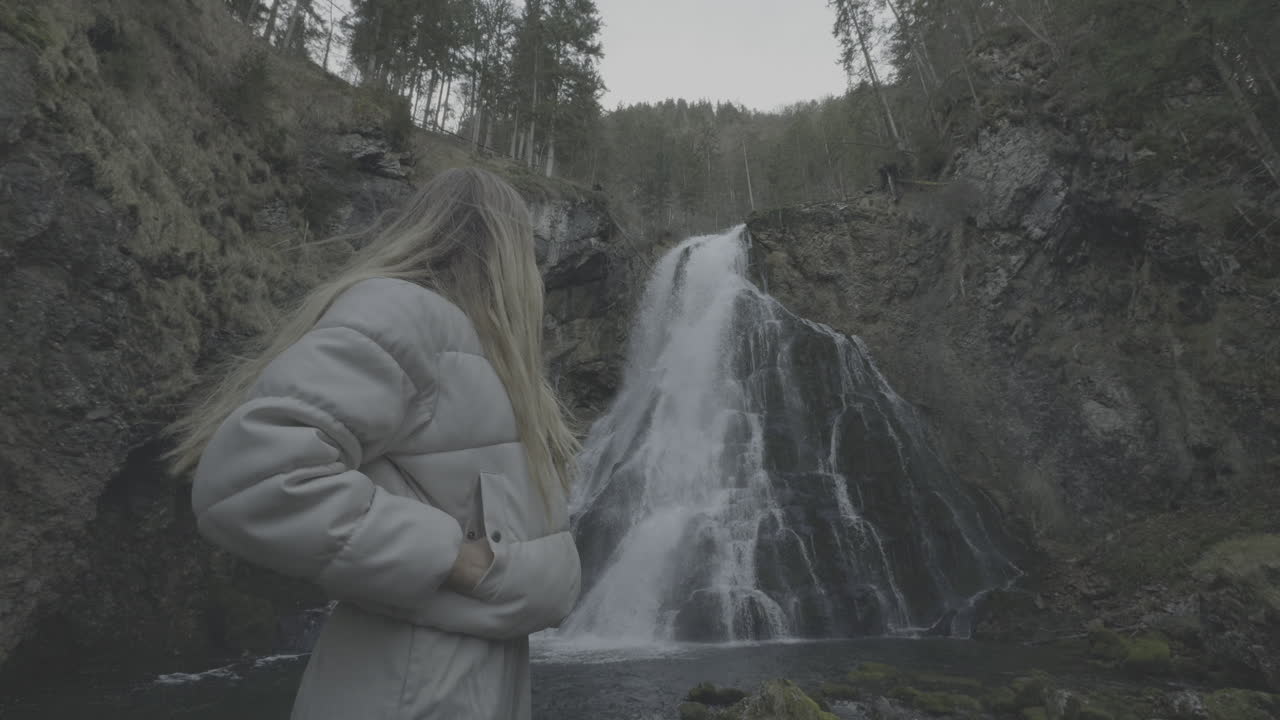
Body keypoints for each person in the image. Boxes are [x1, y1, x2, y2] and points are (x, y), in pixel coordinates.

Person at [166, 167, 583, 720]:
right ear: (505, 250)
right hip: (405, 693)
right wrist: (454, 560)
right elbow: (250, 476)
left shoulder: (489, 363)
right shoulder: (403, 315)